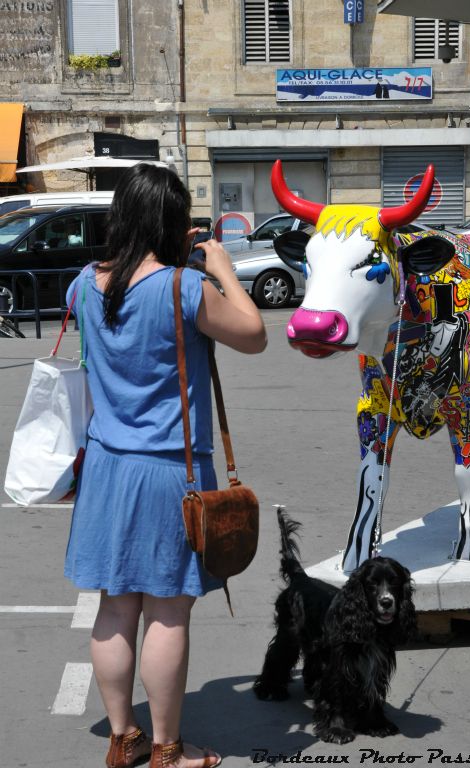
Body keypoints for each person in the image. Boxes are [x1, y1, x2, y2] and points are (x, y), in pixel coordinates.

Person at [64, 163, 267, 768]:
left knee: (115, 605)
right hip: (168, 473)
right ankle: (166, 750)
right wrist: (225, 270)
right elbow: (254, 333)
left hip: (105, 467)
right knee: (169, 610)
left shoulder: (83, 283)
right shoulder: (182, 287)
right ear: (173, 223)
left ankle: (122, 738)